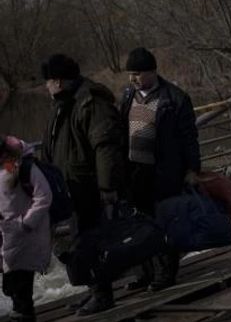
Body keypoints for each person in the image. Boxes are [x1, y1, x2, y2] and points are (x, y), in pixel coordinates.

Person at [40, 54, 124, 315]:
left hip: (90, 186)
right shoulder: (64, 104)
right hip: (72, 188)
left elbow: (105, 146)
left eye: (48, 81)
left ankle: (103, 294)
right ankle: (93, 289)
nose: (46, 86)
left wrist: (107, 186)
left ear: (58, 81)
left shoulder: (91, 102)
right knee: (78, 242)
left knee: (92, 241)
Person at [119, 48, 199, 292]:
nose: (133, 78)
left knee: (165, 222)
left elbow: (189, 137)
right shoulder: (127, 95)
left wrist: (192, 169)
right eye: (130, 74)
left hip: (164, 171)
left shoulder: (175, 98)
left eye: (138, 73)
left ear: (152, 72)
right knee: (138, 225)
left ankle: (165, 273)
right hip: (135, 171)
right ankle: (144, 273)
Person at [0, 136, 52, 322]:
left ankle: (24, 313)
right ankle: (20, 311)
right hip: (8, 232)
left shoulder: (23, 167)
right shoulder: (5, 168)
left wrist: (27, 222)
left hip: (25, 231)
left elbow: (44, 196)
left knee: (21, 274)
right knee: (10, 279)